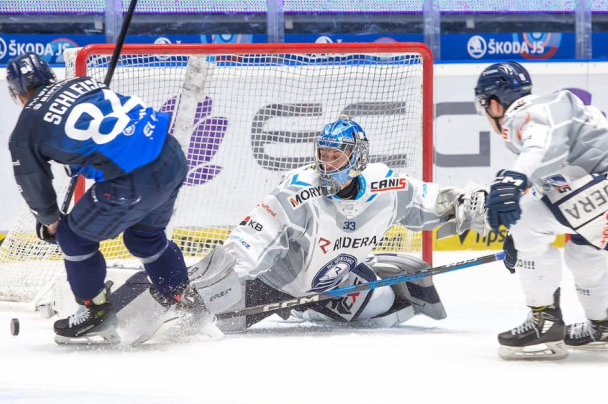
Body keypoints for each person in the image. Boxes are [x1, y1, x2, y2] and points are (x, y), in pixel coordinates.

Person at [187, 117, 489, 332]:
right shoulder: (298, 191)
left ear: (357, 157)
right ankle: (295, 303)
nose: (327, 163)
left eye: (336, 155)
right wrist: (214, 280)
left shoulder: (386, 186)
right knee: (208, 322)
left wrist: (467, 201)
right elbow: (253, 238)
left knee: (384, 305)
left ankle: (318, 301)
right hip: (272, 285)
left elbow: (433, 201)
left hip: (335, 284)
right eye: (323, 154)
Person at [6, 52, 209, 344]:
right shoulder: (82, 83)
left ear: (16, 94)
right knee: (145, 239)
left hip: (134, 177)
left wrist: (50, 221)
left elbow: (32, 183)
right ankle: (189, 305)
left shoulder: (25, 129)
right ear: (49, 76)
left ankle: (94, 312)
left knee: (73, 237)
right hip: (171, 154)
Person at [474, 61, 608, 360]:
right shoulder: (551, 109)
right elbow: (560, 177)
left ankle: (544, 321)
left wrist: (515, 177)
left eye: (483, 106)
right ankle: (603, 325)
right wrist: (522, 237)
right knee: (583, 251)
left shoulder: (524, 116)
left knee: (527, 218)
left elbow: (537, 146)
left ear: (493, 104)